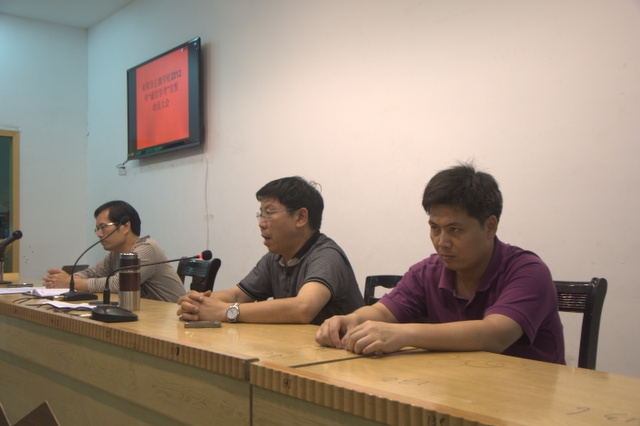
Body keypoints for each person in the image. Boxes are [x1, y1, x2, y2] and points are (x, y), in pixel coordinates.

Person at [315, 163, 565, 364]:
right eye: (435, 228)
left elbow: (495, 335)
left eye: (454, 230)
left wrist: (404, 334)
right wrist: (351, 320)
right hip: (461, 389)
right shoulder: (428, 272)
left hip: (529, 397)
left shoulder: (528, 272)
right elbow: (383, 312)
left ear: (490, 227)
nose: (441, 242)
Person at [177, 176, 364, 325]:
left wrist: (225, 311)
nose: (261, 223)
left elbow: (303, 308)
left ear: (301, 217)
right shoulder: (274, 259)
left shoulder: (327, 256)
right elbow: (237, 295)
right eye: (261, 214)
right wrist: (197, 303)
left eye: (269, 213)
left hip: (339, 356)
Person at [43, 200, 186, 303]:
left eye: (103, 227)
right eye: (97, 229)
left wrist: (70, 283)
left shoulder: (148, 248)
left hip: (169, 319)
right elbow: (91, 273)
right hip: (146, 315)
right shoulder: (115, 255)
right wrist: (62, 280)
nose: (99, 234)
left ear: (125, 227)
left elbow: (120, 283)